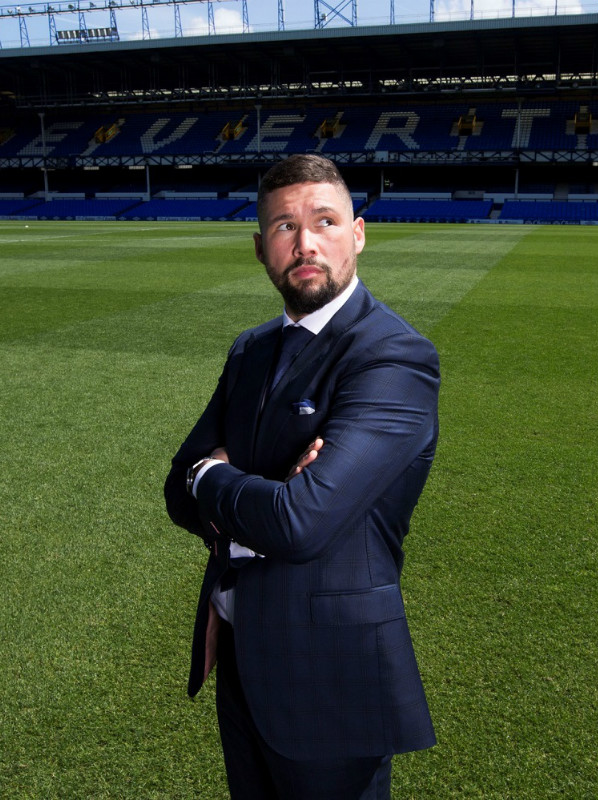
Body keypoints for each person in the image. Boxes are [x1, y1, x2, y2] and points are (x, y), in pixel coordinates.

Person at [163, 154, 439, 799]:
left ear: (359, 232)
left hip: (329, 676)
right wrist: (246, 486)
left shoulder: (393, 355)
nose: (306, 242)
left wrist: (216, 475)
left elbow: (300, 522)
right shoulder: (252, 348)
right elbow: (177, 492)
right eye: (284, 227)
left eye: (324, 220)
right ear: (261, 247)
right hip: (240, 648)